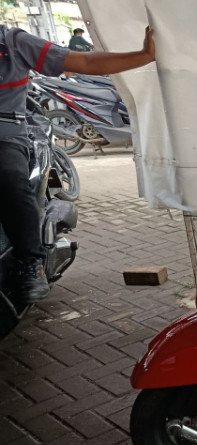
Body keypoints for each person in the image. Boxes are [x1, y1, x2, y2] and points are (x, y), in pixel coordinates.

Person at [0, 25, 156, 303]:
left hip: (6, 134)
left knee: (9, 179)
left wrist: (144, 55)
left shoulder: (13, 42)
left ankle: (30, 263)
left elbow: (84, 62)